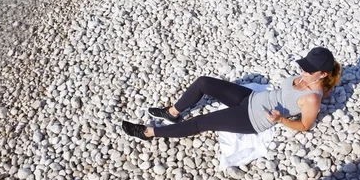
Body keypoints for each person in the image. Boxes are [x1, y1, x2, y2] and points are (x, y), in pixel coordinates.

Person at [122, 47, 341, 141]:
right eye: (303, 66)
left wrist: (281, 119)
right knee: (204, 82)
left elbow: (304, 126)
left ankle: (149, 132)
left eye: (308, 69)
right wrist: (327, 88)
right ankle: (172, 112)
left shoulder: (313, 98)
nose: (303, 71)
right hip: (250, 98)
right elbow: (326, 90)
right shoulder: (313, 79)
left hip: (253, 119)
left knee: (201, 122)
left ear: (321, 74)